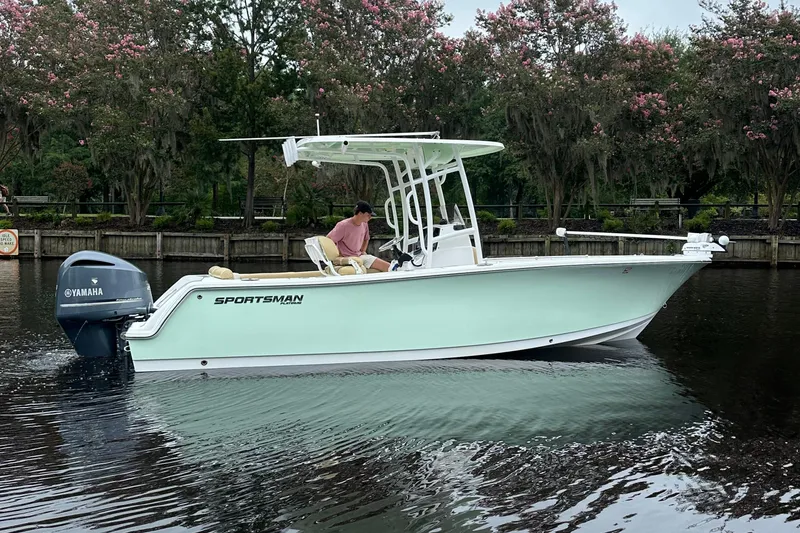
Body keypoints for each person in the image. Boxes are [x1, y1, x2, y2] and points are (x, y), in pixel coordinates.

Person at [327, 200, 395, 272]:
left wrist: (363, 251)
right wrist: (339, 255)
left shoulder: (364, 224)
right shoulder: (343, 225)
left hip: (360, 256)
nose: (370, 217)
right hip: (348, 258)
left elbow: (366, 239)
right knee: (389, 268)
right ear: (360, 213)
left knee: (389, 267)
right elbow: (329, 240)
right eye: (368, 215)